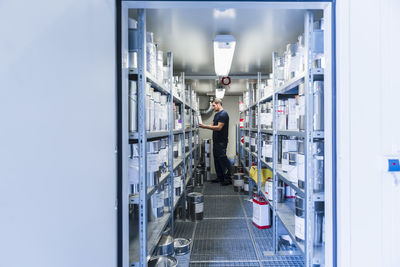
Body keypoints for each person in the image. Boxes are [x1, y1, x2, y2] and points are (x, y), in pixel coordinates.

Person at [199, 98, 232, 185]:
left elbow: (219, 127)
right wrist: (203, 124)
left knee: (223, 160)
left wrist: (204, 126)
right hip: (216, 141)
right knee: (217, 160)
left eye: (214, 105)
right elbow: (212, 125)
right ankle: (220, 177)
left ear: (218, 104)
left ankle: (228, 179)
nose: (213, 108)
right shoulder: (216, 115)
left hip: (222, 142)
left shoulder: (223, 114)